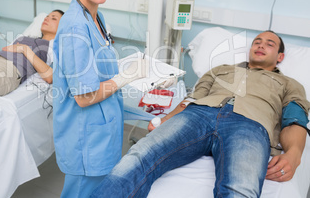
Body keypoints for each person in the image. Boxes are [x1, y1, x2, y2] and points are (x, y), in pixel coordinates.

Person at [91, 30, 310, 197]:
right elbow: (191, 99)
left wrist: (294, 153)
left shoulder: (289, 84)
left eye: (269, 44)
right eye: (257, 42)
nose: (260, 46)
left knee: (239, 188)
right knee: (139, 157)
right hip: (198, 115)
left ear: (280, 56)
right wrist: (165, 120)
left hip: (250, 125)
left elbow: (295, 120)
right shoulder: (220, 69)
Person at [52, 0, 149, 198]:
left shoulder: (95, 16)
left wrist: (132, 71)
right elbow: (84, 97)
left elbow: (97, 66)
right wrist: (126, 76)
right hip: (86, 138)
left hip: (101, 132)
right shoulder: (75, 26)